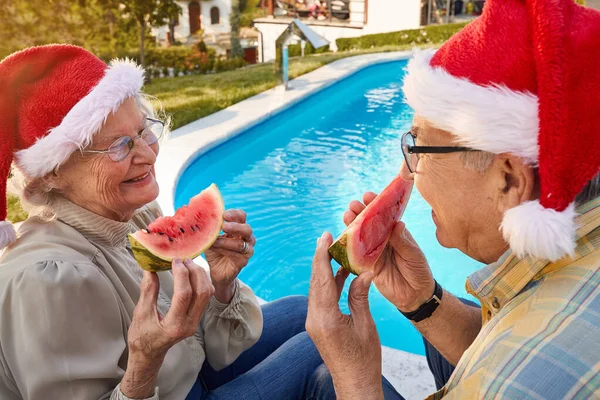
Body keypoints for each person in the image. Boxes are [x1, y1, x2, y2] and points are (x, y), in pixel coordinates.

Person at [0, 45, 332, 400]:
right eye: (119, 146)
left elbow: (198, 347)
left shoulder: (135, 213)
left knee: (305, 311)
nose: (147, 154)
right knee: (323, 351)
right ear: (52, 172)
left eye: (143, 131)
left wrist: (222, 286)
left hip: (190, 372)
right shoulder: (46, 282)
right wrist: (145, 359)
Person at [306, 0, 600, 399]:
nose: (408, 172)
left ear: (509, 180)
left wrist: (354, 376)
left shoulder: (509, 384)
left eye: (419, 148)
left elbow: (505, 368)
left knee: (317, 375)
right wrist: (420, 301)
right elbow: (496, 343)